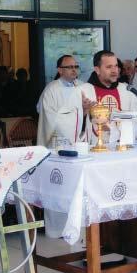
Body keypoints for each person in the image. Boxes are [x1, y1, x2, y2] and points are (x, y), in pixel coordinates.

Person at [37, 55, 89, 238]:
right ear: (60, 70)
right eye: (69, 67)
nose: (74, 70)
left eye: (76, 66)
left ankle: (78, 226)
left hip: (78, 142)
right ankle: (58, 229)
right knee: (58, 186)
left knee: (77, 187)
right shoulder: (52, 89)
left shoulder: (82, 87)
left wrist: (86, 110)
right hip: (57, 143)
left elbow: (88, 113)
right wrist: (75, 115)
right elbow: (48, 116)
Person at [81, 50, 137, 143]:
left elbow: (135, 119)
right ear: (97, 70)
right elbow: (68, 123)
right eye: (109, 67)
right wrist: (82, 112)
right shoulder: (84, 91)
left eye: (116, 66)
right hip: (94, 148)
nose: (114, 70)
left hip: (122, 147)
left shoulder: (125, 90)